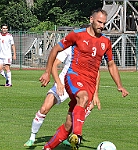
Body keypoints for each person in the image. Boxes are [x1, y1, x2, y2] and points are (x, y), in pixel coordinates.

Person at [39, 8, 129, 150]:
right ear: (91, 19)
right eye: (99, 22)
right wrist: (47, 72)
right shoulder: (77, 35)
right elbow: (55, 49)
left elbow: (111, 64)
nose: (102, 25)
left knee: (68, 124)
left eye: (104, 23)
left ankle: (48, 147)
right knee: (84, 97)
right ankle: (77, 136)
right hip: (74, 76)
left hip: (90, 83)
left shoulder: (105, 42)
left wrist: (119, 85)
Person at [24, 46, 101, 147]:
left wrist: (95, 94)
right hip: (64, 82)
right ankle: (32, 138)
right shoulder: (70, 48)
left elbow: (97, 73)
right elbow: (54, 64)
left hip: (81, 86)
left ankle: (67, 137)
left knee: (82, 111)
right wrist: (58, 82)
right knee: (44, 108)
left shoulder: (92, 52)